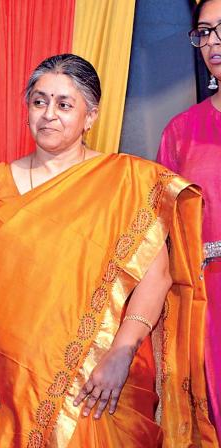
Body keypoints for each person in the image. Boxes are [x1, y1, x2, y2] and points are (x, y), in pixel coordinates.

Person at [0, 53, 218, 446]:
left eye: (65, 104)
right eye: (39, 101)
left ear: (90, 117)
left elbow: (157, 275)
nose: (49, 114)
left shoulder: (125, 181)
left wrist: (122, 353)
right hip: (7, 384)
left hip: (97, 381)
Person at [158, 0, 221, 439]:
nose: (213, 42)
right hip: (208, 302)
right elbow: (162, 233)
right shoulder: (182, 131)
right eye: (204, 32)